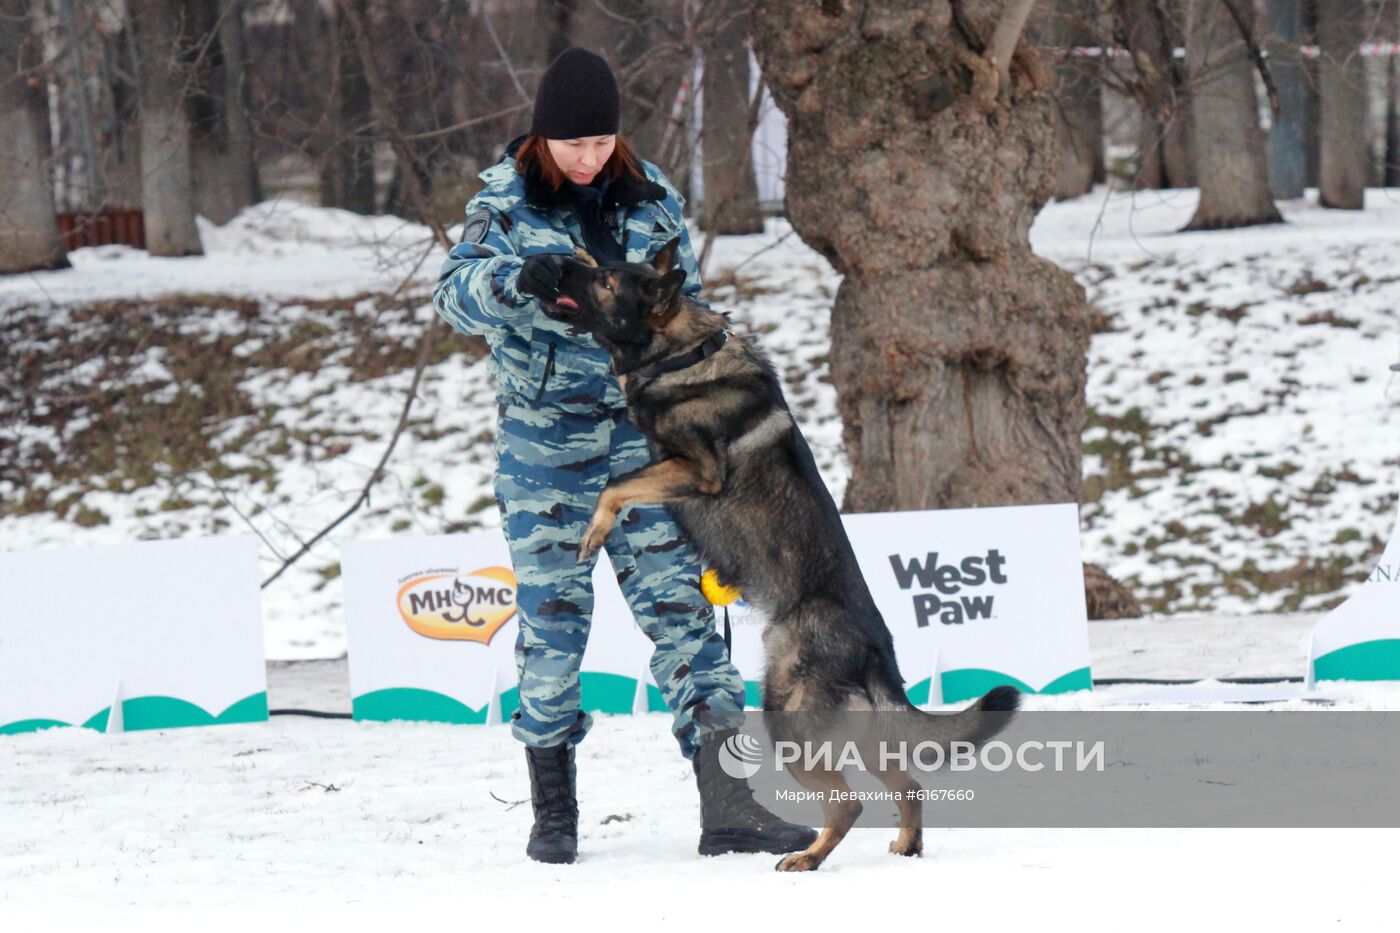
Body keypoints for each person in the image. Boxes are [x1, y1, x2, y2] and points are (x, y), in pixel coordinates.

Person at [431, 47, 816, 865]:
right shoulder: (503, 201)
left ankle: (733, 802)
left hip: (646, 442)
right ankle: (554, 812)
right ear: (543, 138)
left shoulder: (654, 200)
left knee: (686, 615)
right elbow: (453, 297)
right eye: (573, 144)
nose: (588, 157)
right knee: (553, 629)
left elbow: (695, 308)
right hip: (546, 452)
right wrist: (515, 279)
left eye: (601, 141)